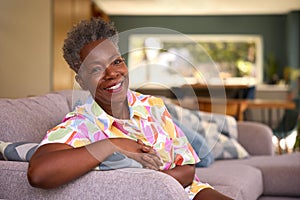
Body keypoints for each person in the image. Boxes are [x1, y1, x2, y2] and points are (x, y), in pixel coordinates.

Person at [27, 18, 232, 200]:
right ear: (81, 81)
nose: (113, 73)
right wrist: (113, 144)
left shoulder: (153, 105)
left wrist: (158, 186)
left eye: (116, 62)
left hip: (191, 192)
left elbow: (188, 168)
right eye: (96, 69)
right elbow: (39, 174)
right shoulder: (81, 125)